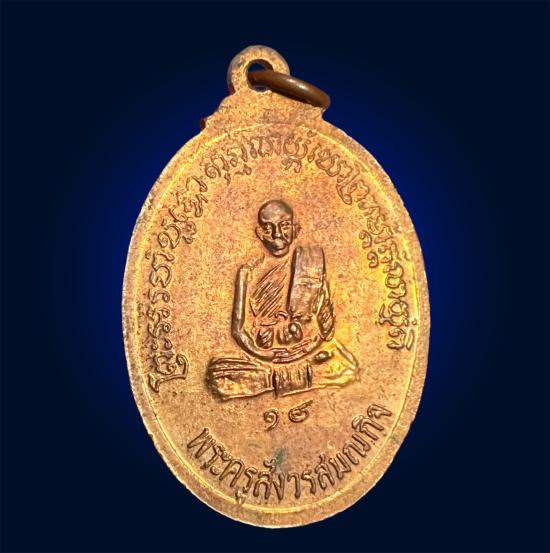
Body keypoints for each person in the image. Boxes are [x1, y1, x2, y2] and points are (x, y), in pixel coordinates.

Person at [206, 200, 358, 399]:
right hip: (262, 358)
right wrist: (263, 353)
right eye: (269, 228)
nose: (277, 234)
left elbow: (324, 323)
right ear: (259, 233)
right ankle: (289, 378)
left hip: (307, 353)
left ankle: (271, 381)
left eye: (284, 225)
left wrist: (319, 335)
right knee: (218, 377)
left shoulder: (310, 261)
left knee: (347, 368)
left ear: (296, 229)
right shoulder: (247, 272)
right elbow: (238, 330)